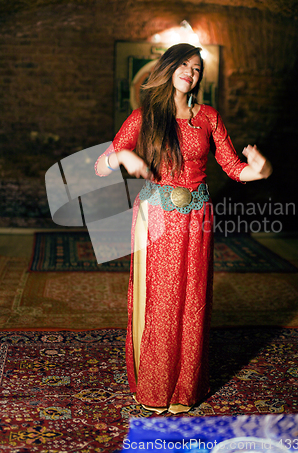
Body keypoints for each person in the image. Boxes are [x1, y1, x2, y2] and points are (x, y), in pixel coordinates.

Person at [95, 43, 272, 414]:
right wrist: (122, 155)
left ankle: (184, 388)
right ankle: (154, 388)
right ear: (169, 66)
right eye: (184, 65)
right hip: (156, 215)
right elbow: (100, 166)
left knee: (192, 301)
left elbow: (235, 169)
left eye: (196, 68)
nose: (190, 73)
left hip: (197, 217)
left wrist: (261, 170)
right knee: (160, 302)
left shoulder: (207, 117)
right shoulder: (145, 115)